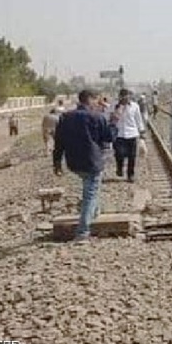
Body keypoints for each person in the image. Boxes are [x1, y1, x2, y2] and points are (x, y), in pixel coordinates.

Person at [53, 90, 113, 243]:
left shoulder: (65, 117)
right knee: (90, 193)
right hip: (92, 161)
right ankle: (83, 231)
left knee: (91, 187)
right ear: (90, 100)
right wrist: (113, 123)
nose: (98, 103)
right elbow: (108, 138)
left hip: (73, 161)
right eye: (96, 100)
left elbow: (58, 142)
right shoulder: (97, 116)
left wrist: (57, 163)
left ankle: (95, 212)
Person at [111, 89, 146, 182]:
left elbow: (138, 119)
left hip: (132, 133)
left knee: (132, 156)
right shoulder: (114, 105)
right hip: (118, 134)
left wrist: (142, 131)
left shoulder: (135, 106)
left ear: (130, 96)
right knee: (119, 154)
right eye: (123, 96)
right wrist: (118, 108)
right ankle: (119, 167)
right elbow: (109, 118)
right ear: (120, 96)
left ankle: (130, 175)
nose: (126, 98)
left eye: (127, 96)